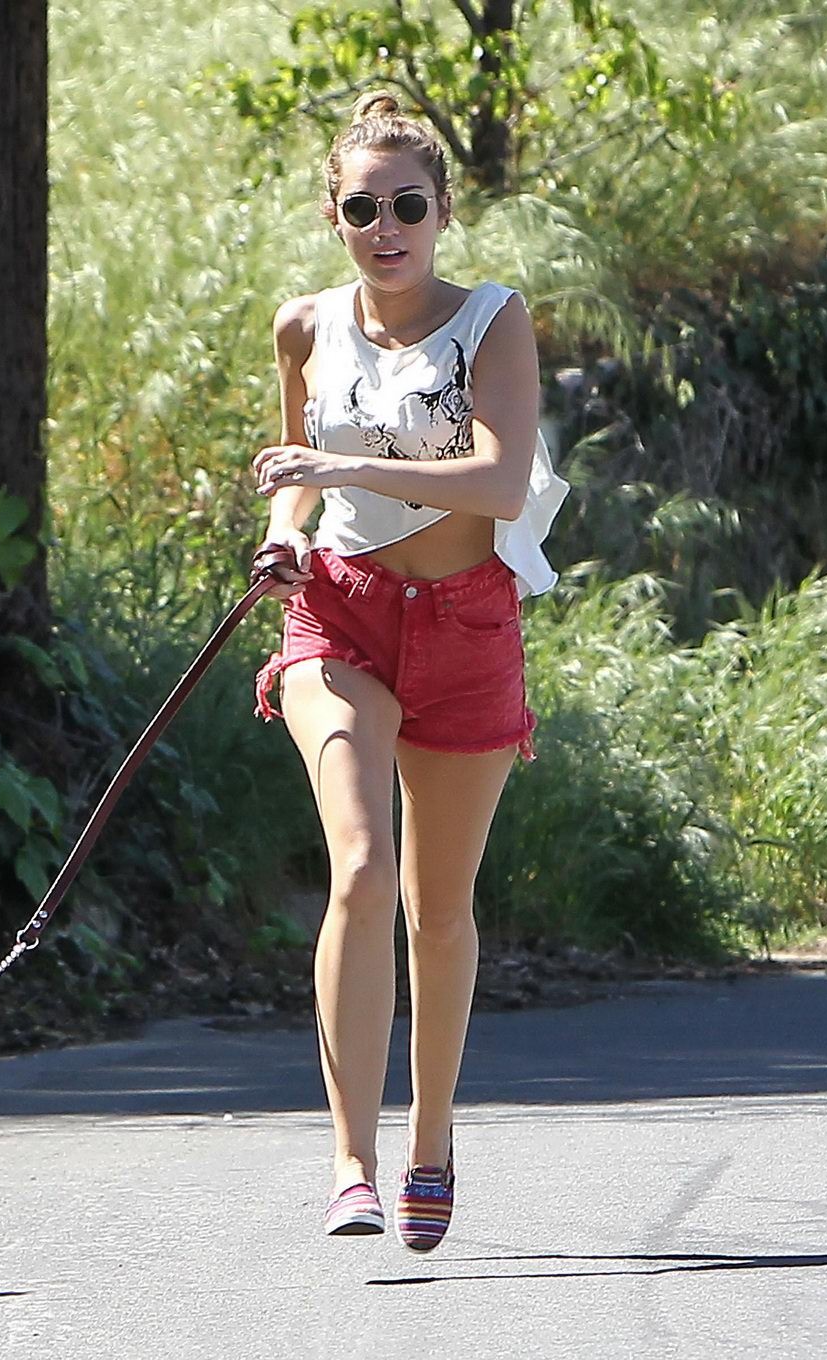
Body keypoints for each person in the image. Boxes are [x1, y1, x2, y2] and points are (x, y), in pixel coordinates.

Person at [249, 90, 567, 1252]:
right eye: (362, 207)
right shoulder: (305, 326)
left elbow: (496, 480)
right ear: (333, 217)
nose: (387, 228)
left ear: (442, 211)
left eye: (408, 206)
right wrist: (290, 525)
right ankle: (350, 1160)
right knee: (361, 868)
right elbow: (295, 470)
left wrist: (335, 461)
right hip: (340, 616)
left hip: (469, 624)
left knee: (440, 913)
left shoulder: (492, 321)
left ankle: (431, 1135)